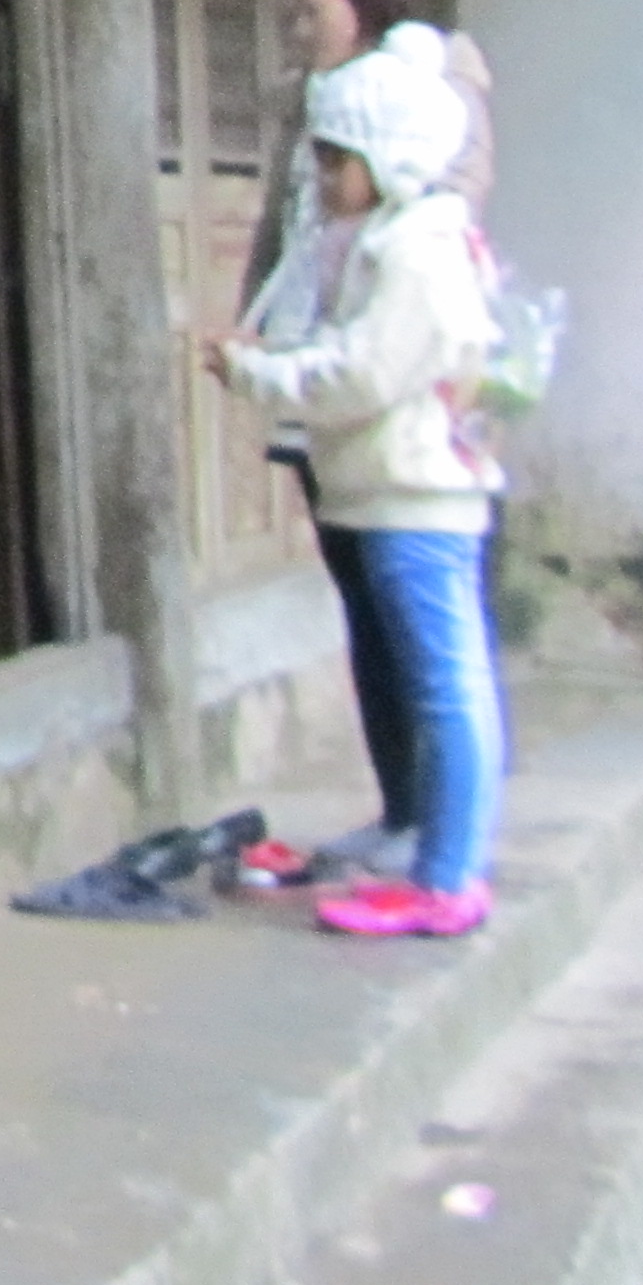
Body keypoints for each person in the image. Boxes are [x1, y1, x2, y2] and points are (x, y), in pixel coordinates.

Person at [210, 53, 506, 938]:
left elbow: (363, 375)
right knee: (437, 682)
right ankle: (435, 858)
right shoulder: (397, 239)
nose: (326, 179)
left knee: (446, 688)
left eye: (338, 160)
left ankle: (447, 877)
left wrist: (259, 374)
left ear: (387, 155)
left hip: (414, 499)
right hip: (393, 492)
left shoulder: (415, 251)